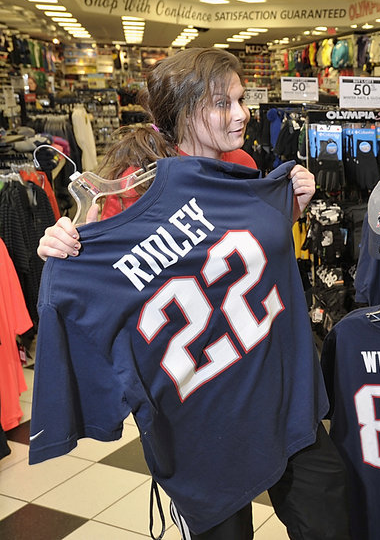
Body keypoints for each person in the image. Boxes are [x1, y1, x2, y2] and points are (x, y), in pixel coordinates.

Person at [36, 47, 350, 540]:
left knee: (330, 513)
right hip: (200, 418)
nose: (243, 114)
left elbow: (237, 253)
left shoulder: (242, 164)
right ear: (183, 112)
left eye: (242, 99)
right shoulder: (126, 197)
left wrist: (287, 210)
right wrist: (62, 245)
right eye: (223, 104)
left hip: (275, 388)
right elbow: (91, 275)